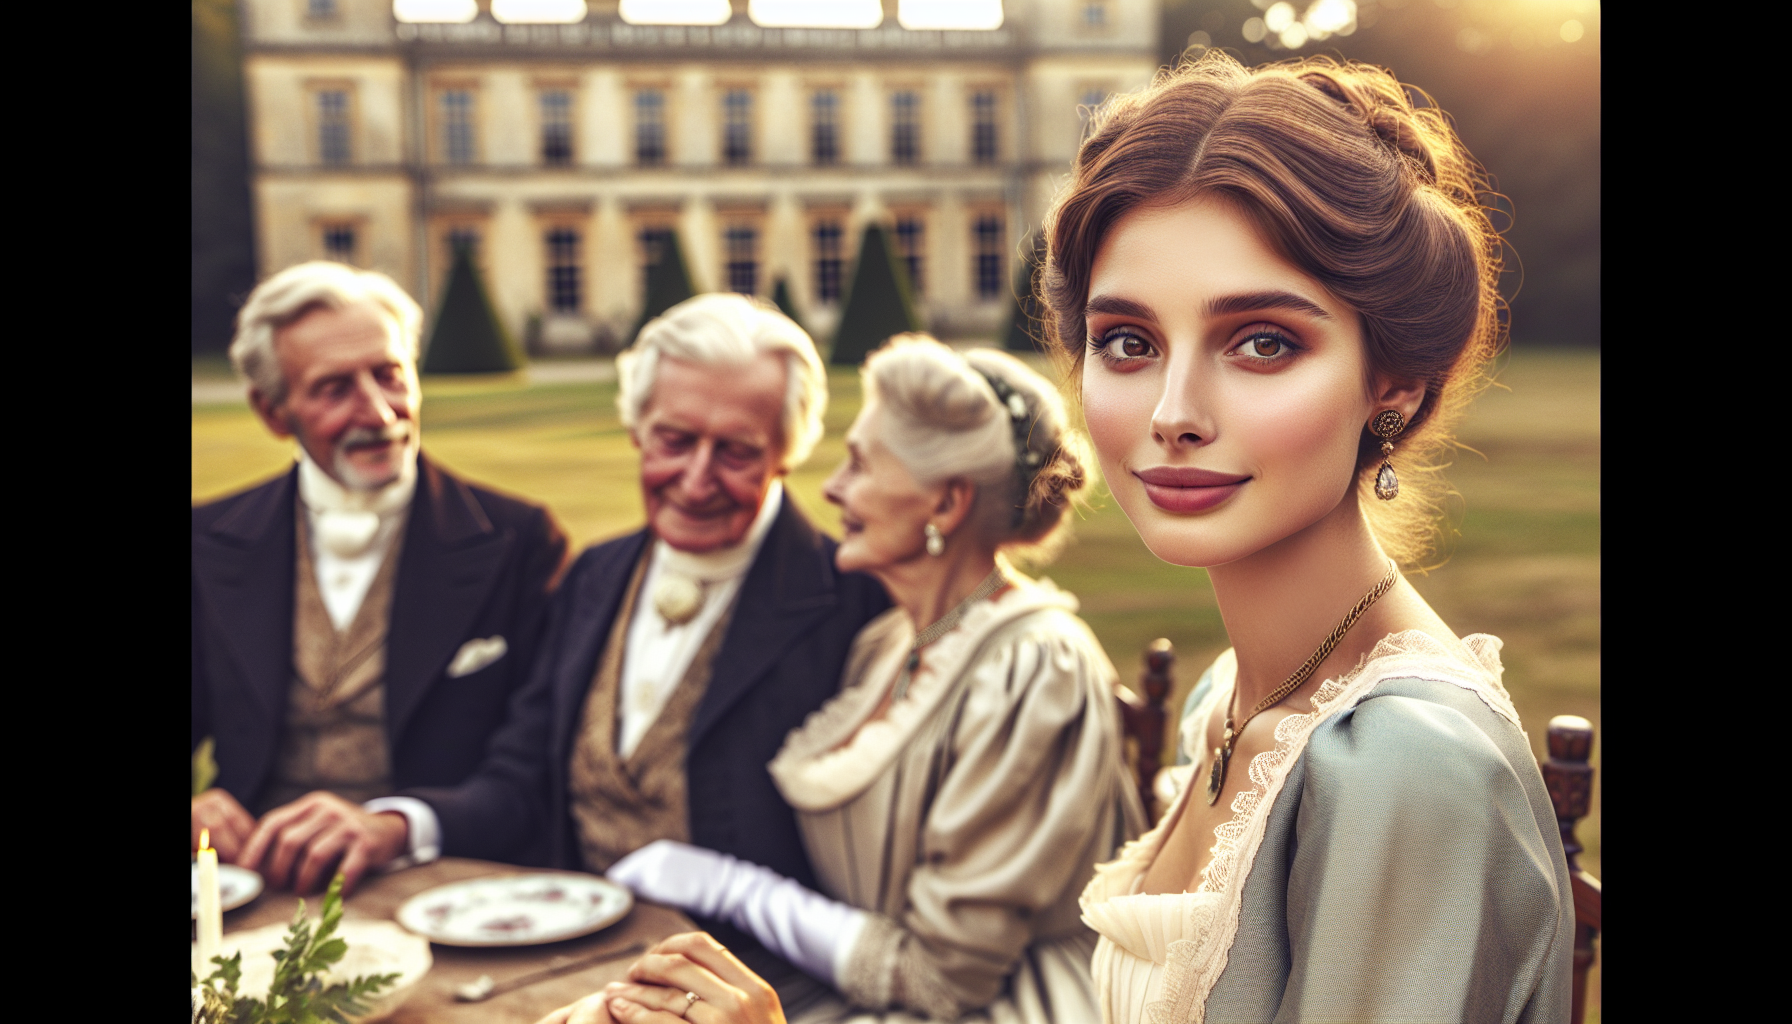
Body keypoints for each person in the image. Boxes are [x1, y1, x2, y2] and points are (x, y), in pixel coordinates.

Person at [1051, 54, 1574, 1021]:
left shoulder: (1406, 772)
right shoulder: (1229, 696)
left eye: (1262, 342)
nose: (1173, 413)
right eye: (1128, 341)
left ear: (1395, 381)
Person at [544, 336, 1146, 1024]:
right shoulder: (888, 644)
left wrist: (734, 888)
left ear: (944, 505)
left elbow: (944, 982)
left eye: (860, 464)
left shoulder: (1036, 666)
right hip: (856, 991)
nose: (831, 489)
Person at [445, 293, 888, 1008]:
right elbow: (521, 775)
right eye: (674, 440)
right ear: (635, 431)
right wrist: (402, 821)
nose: (695, 479)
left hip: (762, 996)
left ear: (787, 453)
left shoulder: (857, 606)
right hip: (565, 970)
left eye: (737, 452)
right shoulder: (593, 573)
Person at [191, 261, 568, 893]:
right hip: (252, 885)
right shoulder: (206, 542)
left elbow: (532, 774)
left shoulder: (521, 541)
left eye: (389, 375)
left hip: (447, 887)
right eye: (334, 388)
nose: (378, 412)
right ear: (273, 412)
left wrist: (398, 824)